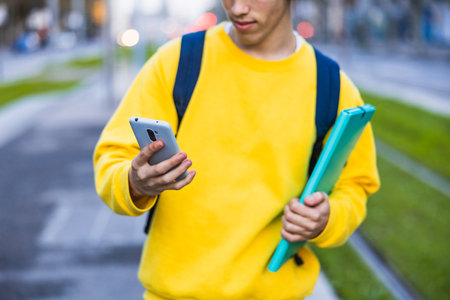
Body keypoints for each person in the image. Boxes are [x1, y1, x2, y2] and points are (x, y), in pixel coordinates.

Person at [93, 0, 380, 299]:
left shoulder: (333, 86)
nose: (237, 8)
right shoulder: (178, 61)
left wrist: (327, 218)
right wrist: (135, 183)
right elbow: (111, 159)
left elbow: (356, 186)